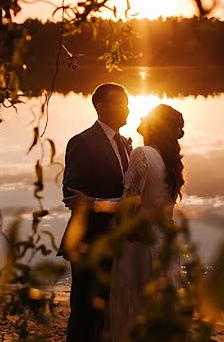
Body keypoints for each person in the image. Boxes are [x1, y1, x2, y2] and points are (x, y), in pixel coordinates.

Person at [64, 103, 186, 342]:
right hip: (162, 243)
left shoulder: (142, 154)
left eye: (146, 115)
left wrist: (91, 203)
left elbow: (130, 204)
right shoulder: (168, 161)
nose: (138, 114)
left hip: (138, 244)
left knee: (131, 310)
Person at [59, 83, 132, 342]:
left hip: (117, 242)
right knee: (84, 313)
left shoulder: (126, 143)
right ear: (101, 107)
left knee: (108, 314)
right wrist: (108, 204)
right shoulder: (82, 142)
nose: (127, 109)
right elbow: (72, 195)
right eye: (121, 103)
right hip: (88, 241)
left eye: (127, 103)